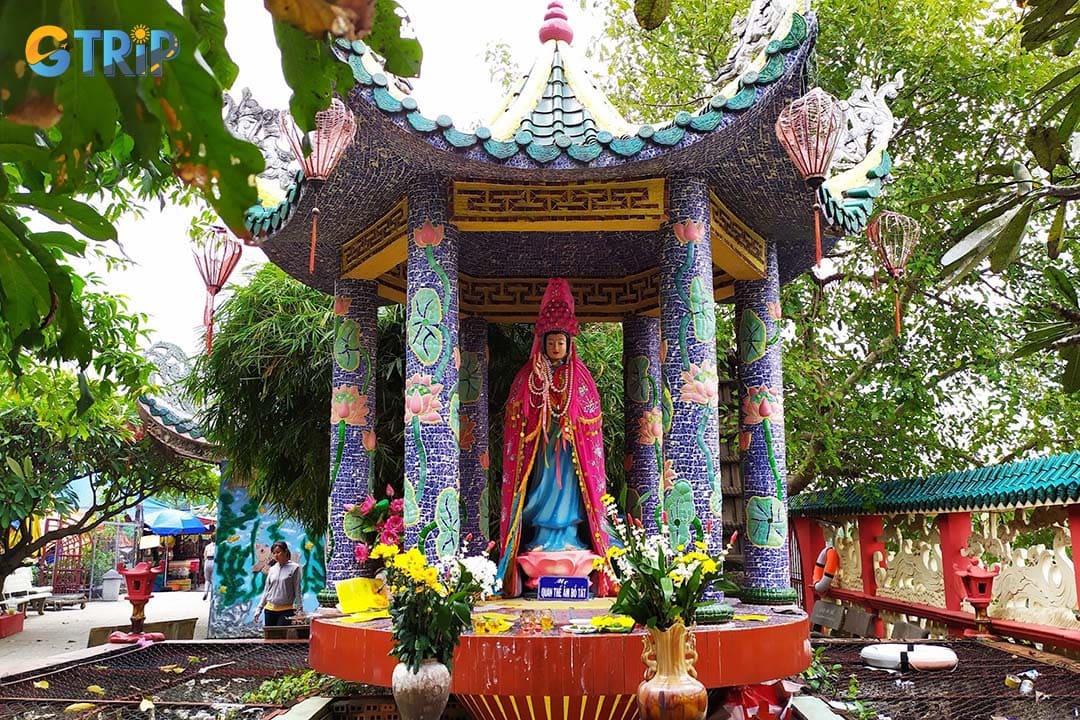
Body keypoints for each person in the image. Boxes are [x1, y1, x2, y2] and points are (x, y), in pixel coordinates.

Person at [496, 278, 613, 597]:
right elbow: (518, 414)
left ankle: (570, 541)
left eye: (560, 342)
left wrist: (569, 425)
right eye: (550, 342)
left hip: (570, 453)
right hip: (543, 451)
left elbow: (590, 420)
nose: (555, 348)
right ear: (543, 343)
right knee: (543, 487)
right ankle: (543, 542)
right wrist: (543, 419)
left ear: (569, 343)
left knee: (571, 491)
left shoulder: (582, 377)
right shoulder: (528, 376)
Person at [252, 541, 304, 626]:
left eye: (278, 552)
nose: (276, 555)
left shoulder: (295, 568)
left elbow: (297, 590)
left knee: (281, 636)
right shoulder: (272, 569)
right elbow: (266, 590)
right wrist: (259, 609)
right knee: (270, 637)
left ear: (285, 552)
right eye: (274, 553)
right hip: (270, 609)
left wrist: (300, 610)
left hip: (286, 610)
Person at [201, 531, 216, 600]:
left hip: (207, 562)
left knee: (207, 579)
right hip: (214, 562)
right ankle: (213, 595)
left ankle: (205, 593)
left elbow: (204, 555)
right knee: (214, 579)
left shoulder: (207, 546)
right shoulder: (218, 546)